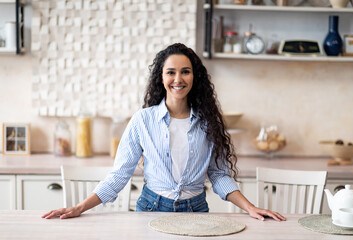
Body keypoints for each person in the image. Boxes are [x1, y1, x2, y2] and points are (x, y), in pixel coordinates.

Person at [42, 43, 285, 221]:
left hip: (196, 211)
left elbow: (219, 176)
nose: (178, 79)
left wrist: (250, 207)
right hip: (151, 209)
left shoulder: (208, 122)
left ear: (194, 77)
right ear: (161, 77)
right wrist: (79, 207)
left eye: (185, 71)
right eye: (171, 72)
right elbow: (119, 175)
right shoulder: (143, 121)